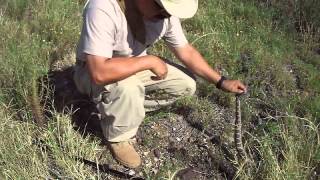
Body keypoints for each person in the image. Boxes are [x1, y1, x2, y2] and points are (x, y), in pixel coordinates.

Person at [74, 0, 247, 168]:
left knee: (185, 84)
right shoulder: (103, 7)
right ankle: (118, 136)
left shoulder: (164, 16)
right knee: (128, 87)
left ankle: (125, 109)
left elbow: (185, 51)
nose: (165, 13)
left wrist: (221, 81)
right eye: (160, 6)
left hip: (133, 64)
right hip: (91, 72)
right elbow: (99, 72)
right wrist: (149, 61)